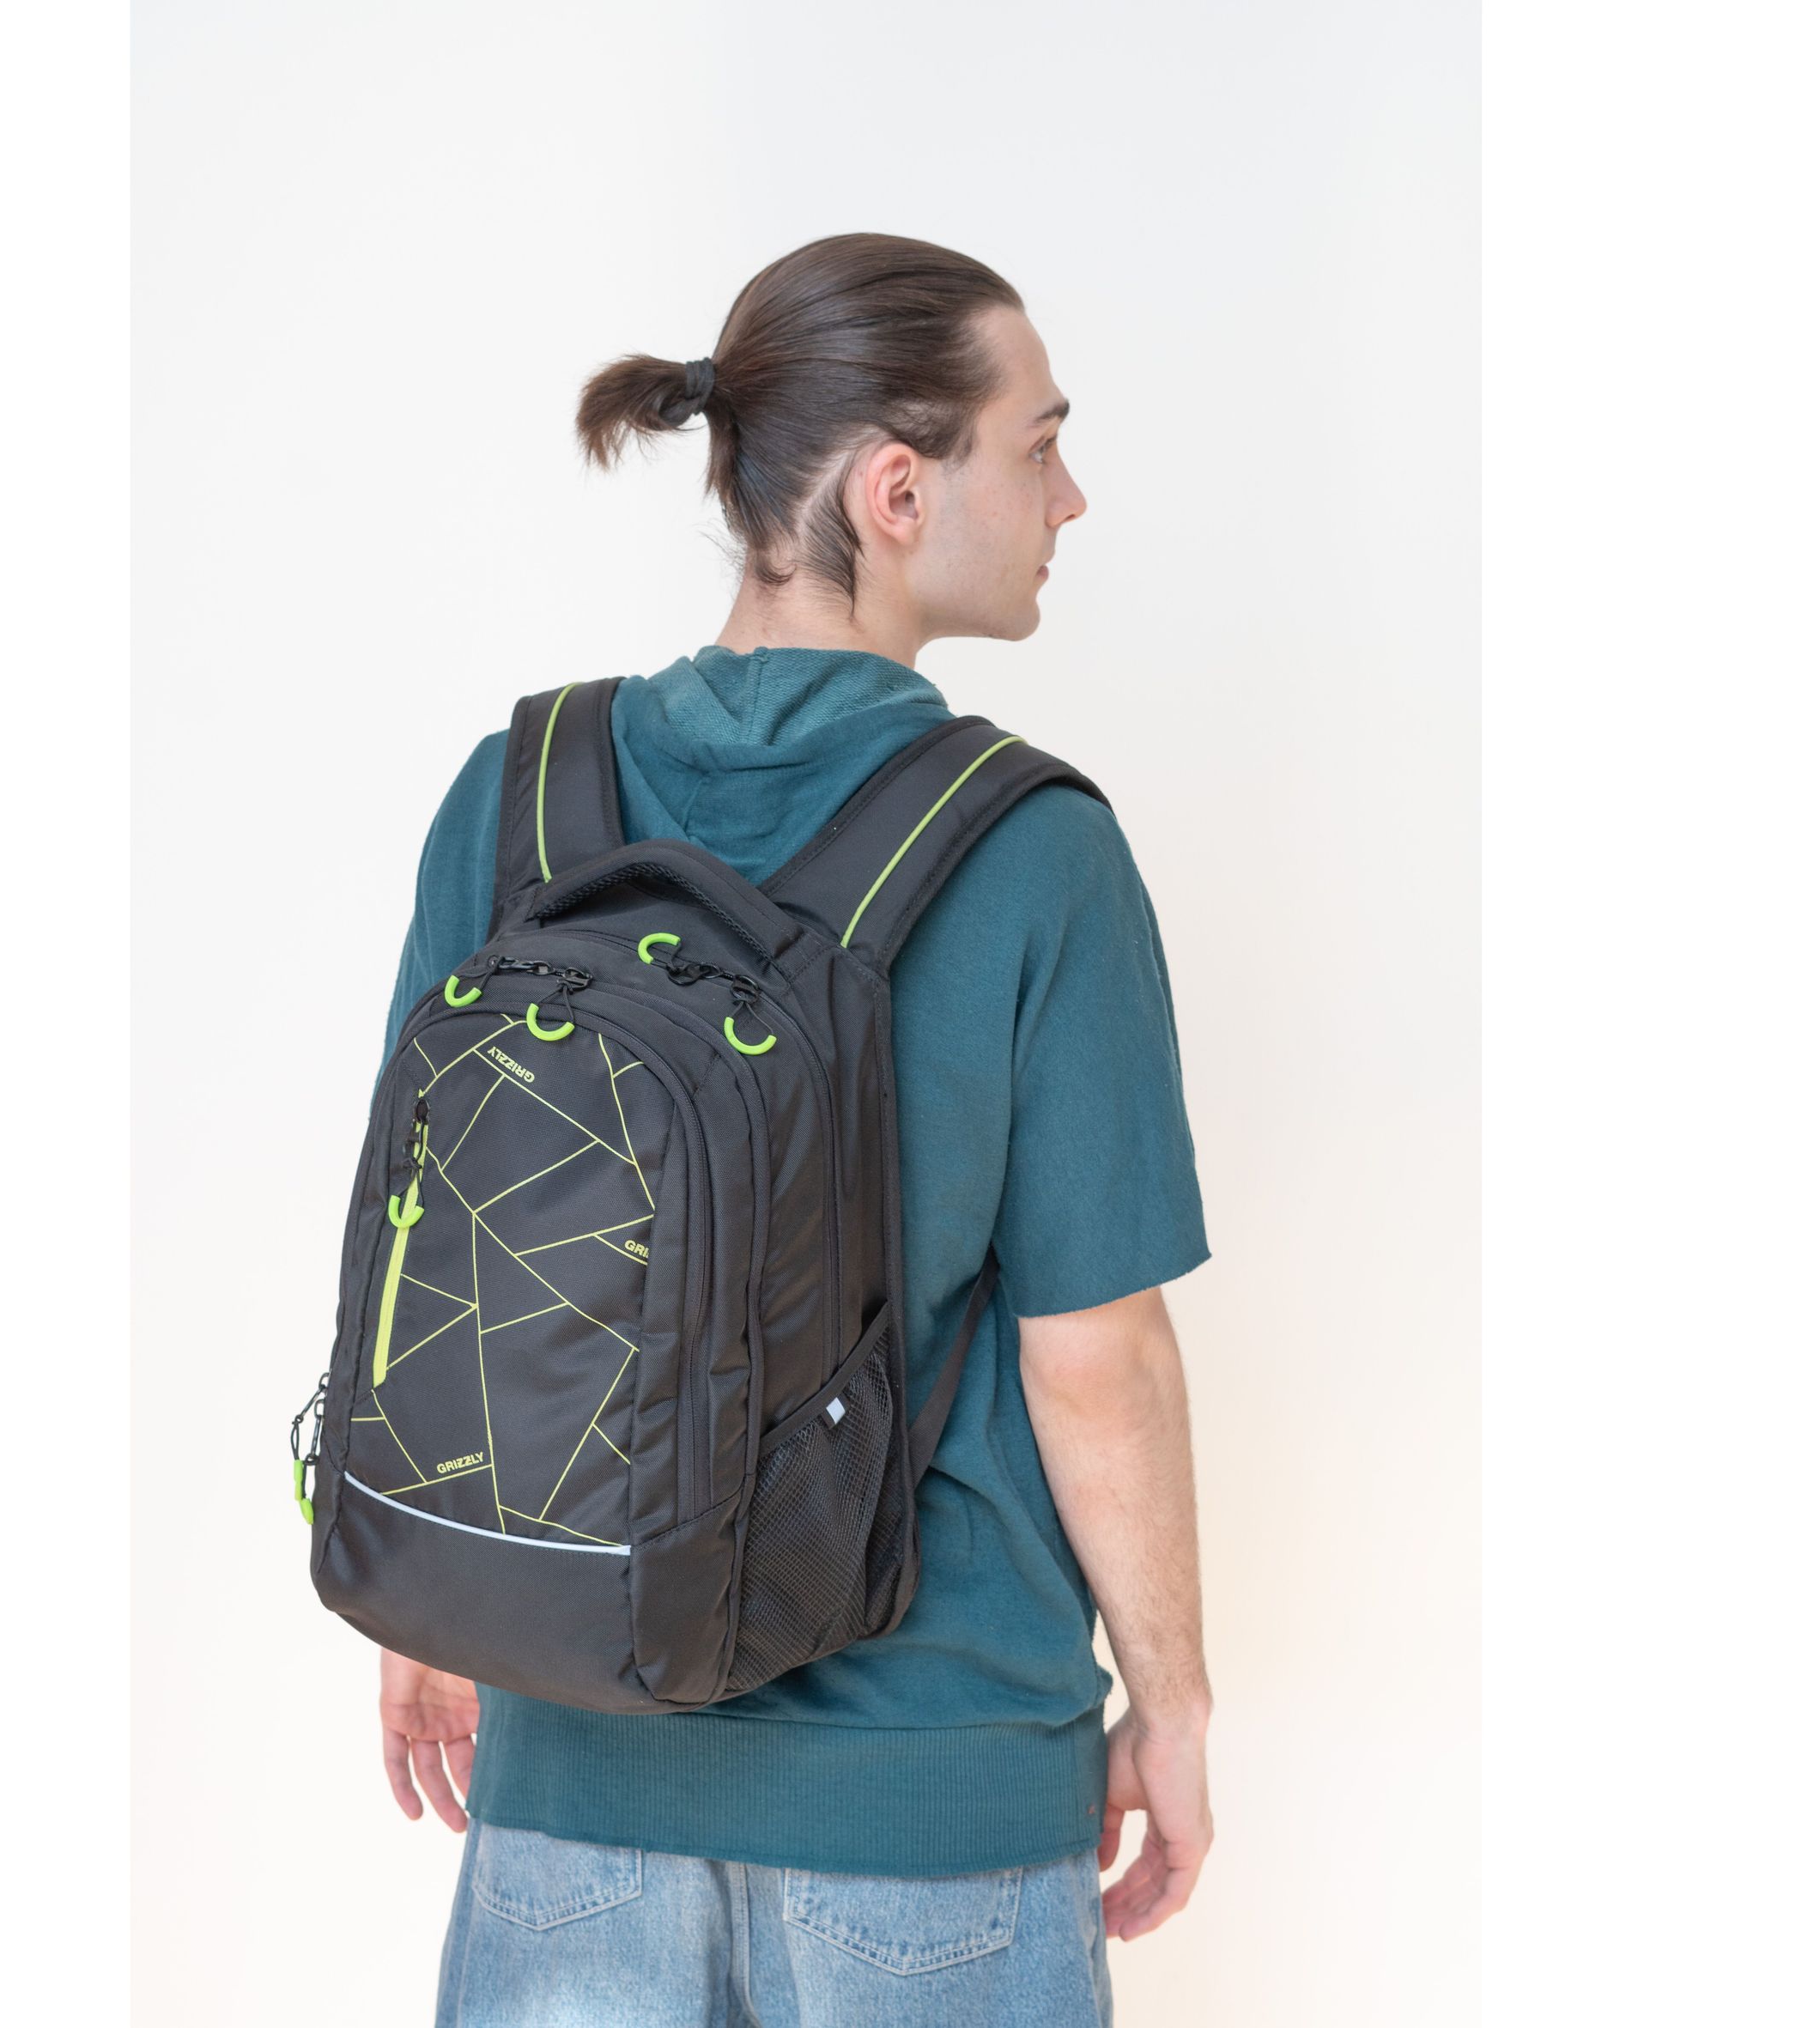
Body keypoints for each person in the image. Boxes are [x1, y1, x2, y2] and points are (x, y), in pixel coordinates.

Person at [371, 233, 1213, 2028]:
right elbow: (1093, 1355)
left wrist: (433, 1603)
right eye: (1039, 444)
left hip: (565, 1769)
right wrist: (1174, 1704)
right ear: (896, 491)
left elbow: (424, 1259)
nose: (1069, 496)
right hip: (929, 1789)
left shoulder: (515, 796)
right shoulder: (1033, 852)